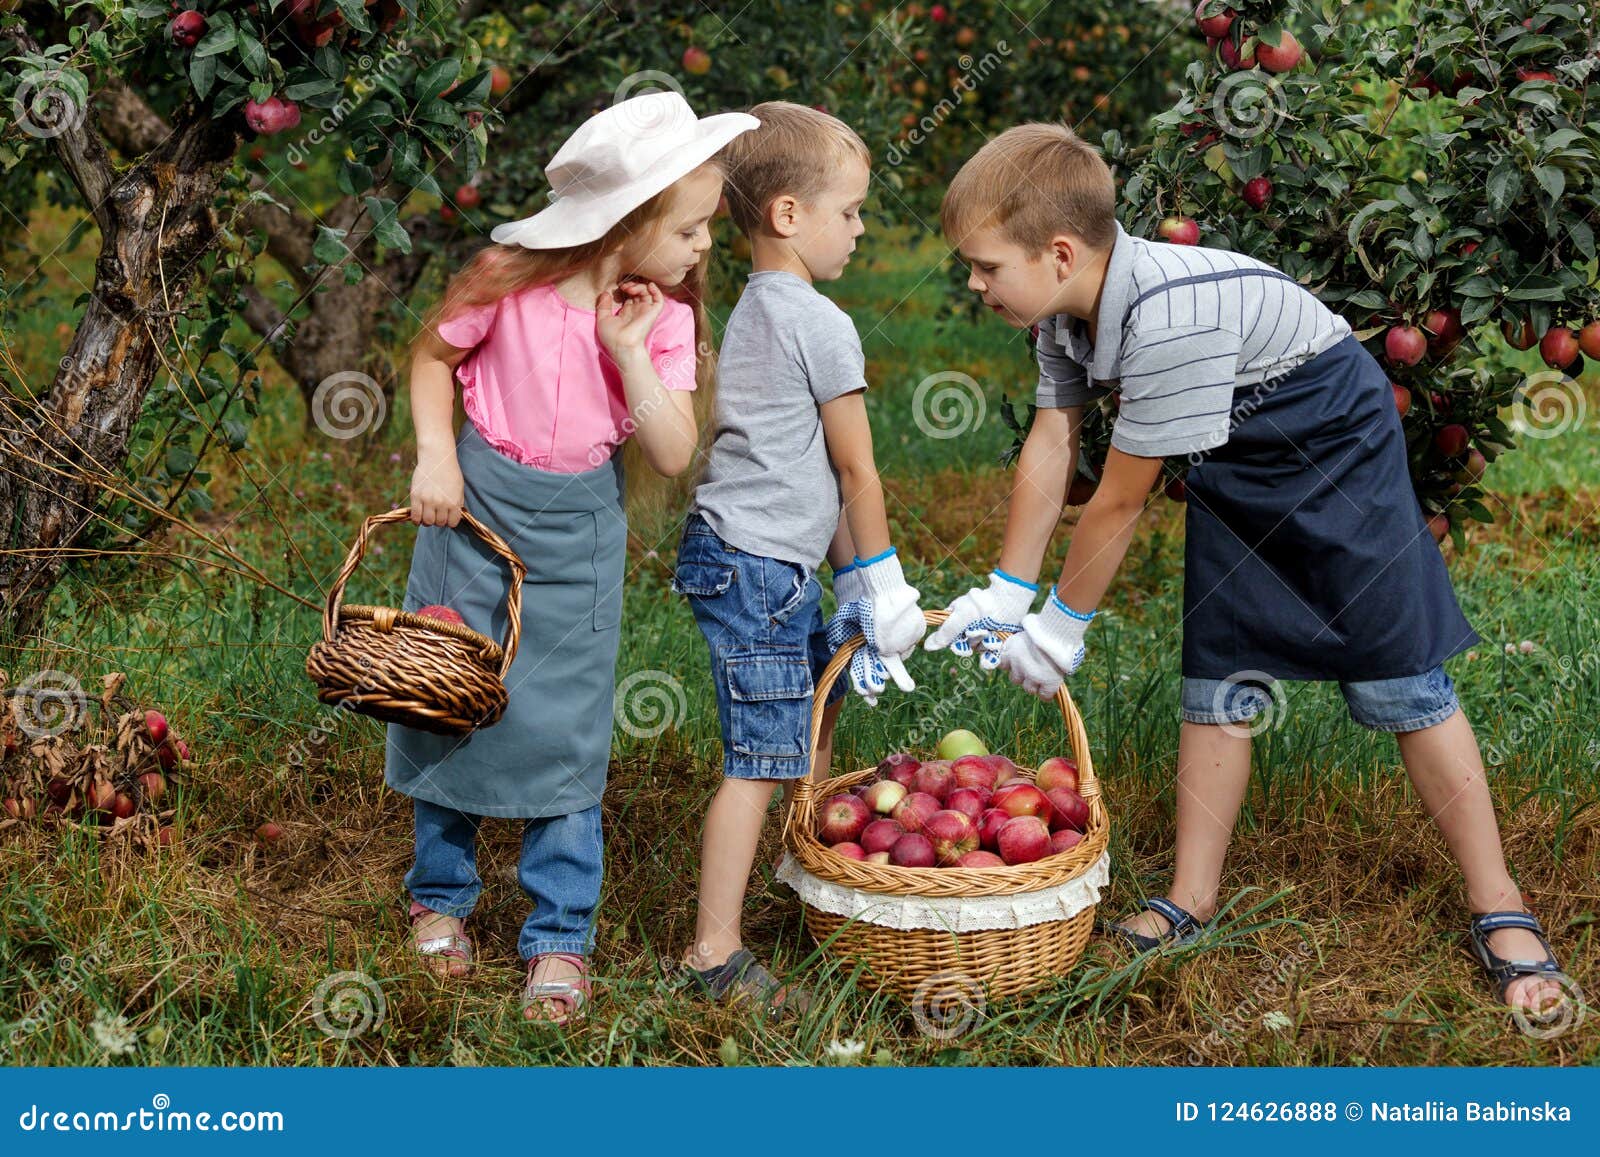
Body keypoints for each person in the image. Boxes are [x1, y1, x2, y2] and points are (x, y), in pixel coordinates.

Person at [925, 121, 1572, 1021]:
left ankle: (1497, 899)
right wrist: (1008, 591)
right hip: (1241, 454)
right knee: (1221, 674)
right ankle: (1191, 896)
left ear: (1060, 251)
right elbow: (1053, 438)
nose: (975, 282)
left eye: (986, 265)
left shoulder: (1166, 322)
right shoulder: (1066, 312)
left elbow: (1118, 501)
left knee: (1400, 679)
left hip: (1334, 448)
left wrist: (1061, 627)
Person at [386, 91, 757, 1024]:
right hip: (476, 515)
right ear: (624, 223)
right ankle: (441, 893)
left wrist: (626, 348)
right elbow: (434, 359)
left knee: (569, 725)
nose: (705, 246)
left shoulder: (661, 317)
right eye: (691, 228)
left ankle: (558, 931)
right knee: (448, 700)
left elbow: (671, 449)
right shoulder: (505, 281)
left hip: (575, 530)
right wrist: (437, 455)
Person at [671, 101, 925, 1012]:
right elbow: (857, 467)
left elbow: (814, 472)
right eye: (850, 210)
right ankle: (714, 950)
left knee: (809, 721)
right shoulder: (819, 321)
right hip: (759, 565)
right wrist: (885, 577)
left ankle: (807, 883)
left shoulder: (754, 308)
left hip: (751, 557)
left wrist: (853, 576)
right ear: (788, 214)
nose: (860, 228)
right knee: (761, 754)